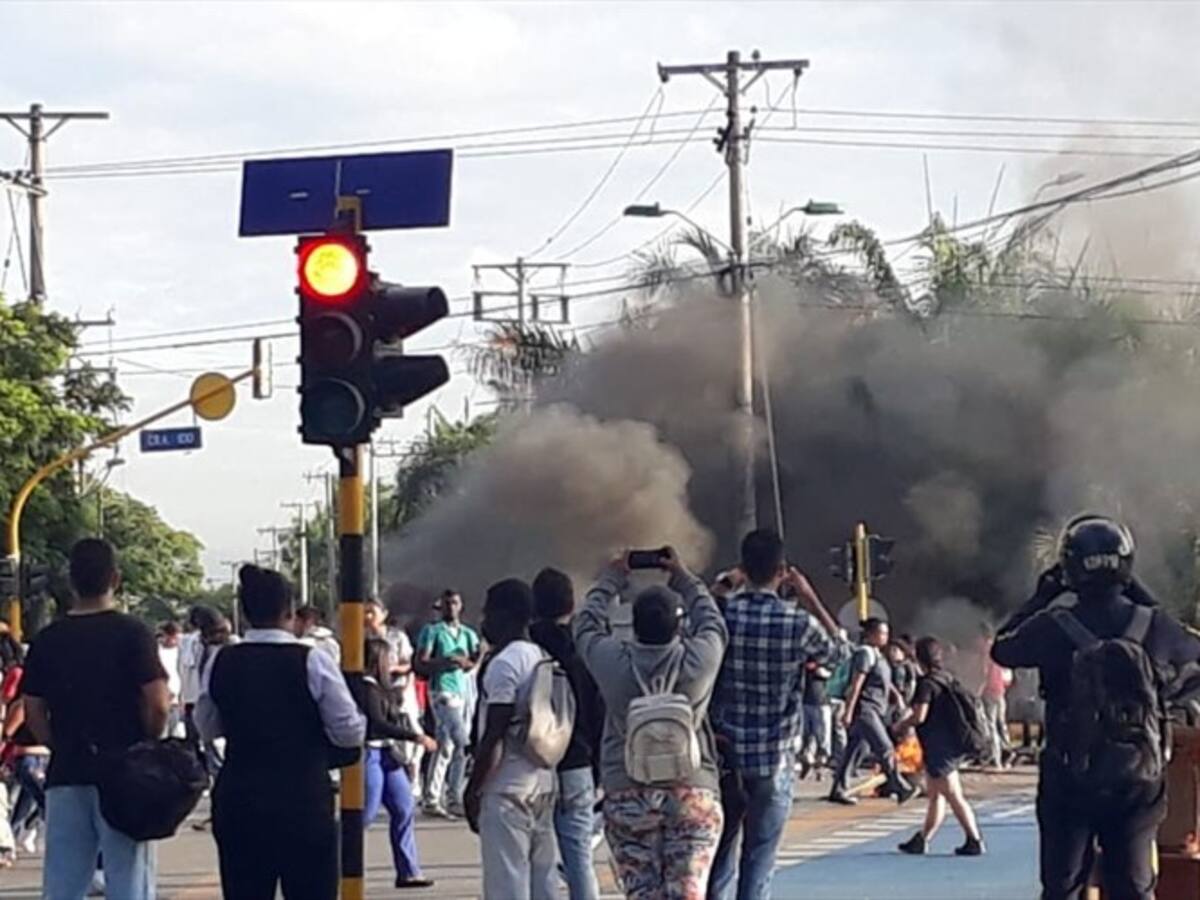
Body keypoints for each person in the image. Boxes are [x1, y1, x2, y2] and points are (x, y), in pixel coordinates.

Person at [992, 514, 1200, 900]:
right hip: (1138, 777)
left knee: (1063, 887)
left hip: (1069, 774)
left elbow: (1001, 647)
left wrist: (1041, 597)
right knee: (1135, 888)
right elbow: (1194, 653)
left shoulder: (1053, 624)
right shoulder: (1153, 623)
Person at [196, 564, 365, 900]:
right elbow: (350, 732)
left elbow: (207, 726)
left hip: (240, 800)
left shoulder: (221, 660)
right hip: (302, 802)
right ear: (290, 611)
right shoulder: (312, 660)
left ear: (244, 613)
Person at [21, 538, 170, 900]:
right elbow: (158, 703)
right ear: (115, 579)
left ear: (71, 581)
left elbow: (33, 709)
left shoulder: (47, 639)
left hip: (67, 772)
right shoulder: (133, 633)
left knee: (63, 880)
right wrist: (148, 743)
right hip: (125, 774)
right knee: (129, 879)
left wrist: (59, 743)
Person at [576, 549, 728, 900]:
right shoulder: (698, 661)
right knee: (689, 891)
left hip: (627, 789)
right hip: (693, 789)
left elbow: (584, 625)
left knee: (642, 892)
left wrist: (612, 578)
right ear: (678, 624)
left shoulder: (612, 662)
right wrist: (683, 576)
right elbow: (713, 622)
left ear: (634, 623)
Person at [708, 529, 852, 900]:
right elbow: (840, 654)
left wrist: (722, 587)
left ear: (742, 568)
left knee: (718, 855)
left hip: (725, 758)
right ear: (782, 571)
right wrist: (809, 596)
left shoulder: (723, 615)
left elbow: (695, 628)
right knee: (758, 860)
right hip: (774, 758)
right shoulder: (797, 623)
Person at [463, 578, 558, 900]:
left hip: (506, 790)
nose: (484, 620)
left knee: (507, 884)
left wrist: (474, 788)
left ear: (505, 614)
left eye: (487, 612)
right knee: (543, 881)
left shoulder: (504, 663)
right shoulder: (541, 656)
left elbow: (495, 732)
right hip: (542, 783)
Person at [529, 567, 604, 900]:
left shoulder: (523, 651)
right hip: (578, 764)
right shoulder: (584, 652)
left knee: (539, 859)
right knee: (579, 858)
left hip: (533, 766)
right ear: (571, 605)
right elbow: (598, 712)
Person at [892, 637, 985, 856]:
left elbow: (920, 716)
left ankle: (974, 838)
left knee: (953, 795)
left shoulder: (927, 683)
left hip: (939, 747)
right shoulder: (947, 678)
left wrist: (901, 725)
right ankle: (922, 839)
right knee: (936, 795)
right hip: (949, 743)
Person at [360, 637, 438, 890]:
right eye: (390, 657)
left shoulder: (384, 688)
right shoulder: (366, 687)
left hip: (388, 755)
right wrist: (415, 737)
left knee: (404, 806)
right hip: (370, 753)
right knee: (365, 814)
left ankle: (408, 870)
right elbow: (379, 724)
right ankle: (337, 862)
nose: (394, 662)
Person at [828, 617, 915, 806]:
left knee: (855, 749)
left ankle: (838, 788)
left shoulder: (878, 655)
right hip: (865, 709)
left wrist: (896, 695)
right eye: (882, 633)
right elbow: (857, 683)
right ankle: (898, 785)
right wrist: (848, 712)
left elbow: (884, 680)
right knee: (885, 748)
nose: (885, 637)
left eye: (886, 633)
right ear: (870, 635)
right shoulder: (865, 653)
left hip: (876, 708)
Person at [418, 590, 481, 818]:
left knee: (446, 745)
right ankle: (453, 796)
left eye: (454, 603)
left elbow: (475, 659)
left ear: (461, 606)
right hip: (442, 690)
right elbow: (421, 663)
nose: (450, 608)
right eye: (446, 604)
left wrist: (467, 661)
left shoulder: (468, 634)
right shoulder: (432, 631)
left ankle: (433, 797)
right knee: (460, 741)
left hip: (464, 690)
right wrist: (444, 662)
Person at [977, 631, 1012, 768]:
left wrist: (979, 691)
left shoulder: (985, 653)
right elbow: (1007, 675)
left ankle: (996, 759)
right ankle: (1007, 751)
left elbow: (984, 674)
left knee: (991, 726)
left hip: (990, 692)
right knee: (1001, 724)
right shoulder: (999, 650)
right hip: (1000, 691)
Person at [158, 623, 184, 738]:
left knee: (174, 733)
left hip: (177, 698)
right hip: (162, 697)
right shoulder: (156, 652)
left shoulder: (182, 651)